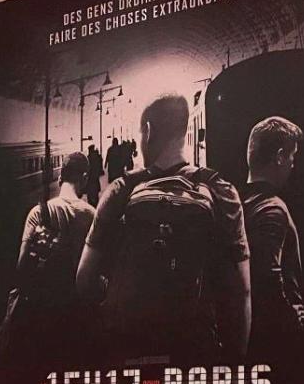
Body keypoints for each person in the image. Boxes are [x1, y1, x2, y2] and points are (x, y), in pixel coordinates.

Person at [77, 93, 250, 362]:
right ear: (184, 129)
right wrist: (236, 359)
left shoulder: (121, 190)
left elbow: (84, 279)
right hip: (194, 348)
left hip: (130, 347)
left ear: (148, 131)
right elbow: (241, 292)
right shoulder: (220, 190)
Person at [0, 152, 96, 361]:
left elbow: (22, 267)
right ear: (84, 179)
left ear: (60, 177)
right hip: (74, 314)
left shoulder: (38, 213)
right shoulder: (91, 216)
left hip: (40, 312)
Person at [241, 116, 304, 364]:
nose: (292, 164)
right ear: (279, 156)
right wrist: (290, 317)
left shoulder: (238, 205)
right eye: (292, 156)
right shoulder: (272, 208)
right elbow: (267, 277)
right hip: (275, 343)